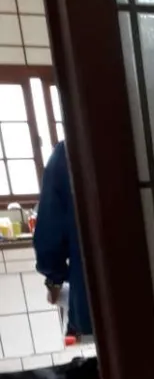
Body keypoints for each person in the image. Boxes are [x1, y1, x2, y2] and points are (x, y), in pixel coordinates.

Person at [34, 140, 92, 340]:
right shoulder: (147, 134)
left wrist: (54, 282)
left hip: (91, 309)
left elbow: (49, 240)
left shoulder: (68, 153)